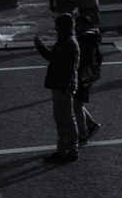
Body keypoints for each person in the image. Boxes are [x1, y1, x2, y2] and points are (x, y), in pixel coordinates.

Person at [33, 15, 80, 162]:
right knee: (61, 119)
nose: (55, 29)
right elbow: (51, 57)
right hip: (59, 86)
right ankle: (63, 148)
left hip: (62, 87)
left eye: (57, 27)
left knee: (67, 118)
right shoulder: (64, 41)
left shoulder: (70, 44)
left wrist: (64, 90)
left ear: (63, 27)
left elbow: (70, 70)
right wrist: (40, 46)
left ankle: (72, 150)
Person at [73, 19, 103, 148]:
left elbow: (84, 58)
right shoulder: (91, 38)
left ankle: (83, 135)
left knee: (76, 105)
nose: (75, 27)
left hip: (83, 75)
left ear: (85, 25)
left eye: (78, 24)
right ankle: (90, 125)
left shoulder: (85, 40)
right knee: (76, 103)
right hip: (89, 74)